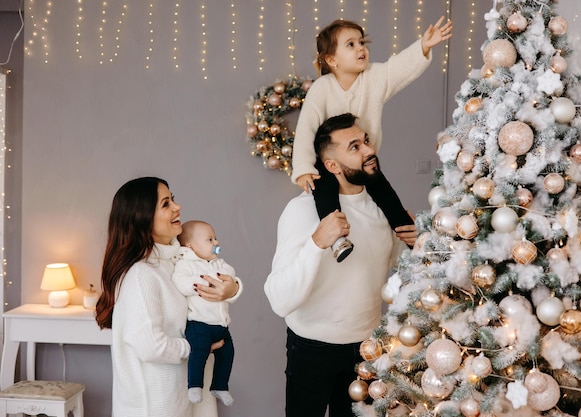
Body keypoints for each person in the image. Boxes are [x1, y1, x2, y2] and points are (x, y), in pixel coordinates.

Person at [265, 113, 417, 417]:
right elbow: (279, 299)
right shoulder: (302, 211)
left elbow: (395, 267)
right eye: (354, 147)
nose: (368, 151)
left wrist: (417, 242)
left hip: (367, 349)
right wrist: (317, 243)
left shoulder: (385, 209)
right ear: (332, 165)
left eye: (366, 141)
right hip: (312, 349)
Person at [291, 17, 452, 262]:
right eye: (351, 45)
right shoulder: (322, 88)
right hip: (328, 163)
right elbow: (306, 129)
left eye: (362, 42)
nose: (361, 48)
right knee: (324, 193)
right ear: (332, 60)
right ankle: (337, 241)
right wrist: (303, 168)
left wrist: (423, 46)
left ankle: (412, 238)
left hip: (364, 161)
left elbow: (399, 68)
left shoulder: (375, 77)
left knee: (385, 194)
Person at [95, 177, 240, 417]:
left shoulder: (174, 261)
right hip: (153, 407)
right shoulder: (141, 274)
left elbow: (214, 275)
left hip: (179, 400)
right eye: (165, 204)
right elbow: (151, 346)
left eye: (173, 199)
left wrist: (234, 287)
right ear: (142, 218)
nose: (177, 207)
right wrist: (198, 347)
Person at [172, 220, 243, 406]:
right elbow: (181, 282)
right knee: (200, 352)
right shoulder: (185, 264)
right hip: (199, 323)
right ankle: (194, 385)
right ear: (191, 246)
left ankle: (220, 386)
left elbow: (230, 274)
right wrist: (204, 282)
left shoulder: (218, 263)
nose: (216, 243)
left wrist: (227, 280)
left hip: (220, 324)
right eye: (210, 239)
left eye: (216, 238)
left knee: (228, 353)